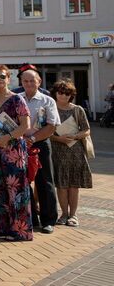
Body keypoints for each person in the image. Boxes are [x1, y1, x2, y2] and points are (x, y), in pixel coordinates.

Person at [0, 65, 33, 241]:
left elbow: (25, 126)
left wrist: (7, 137)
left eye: (2, 77)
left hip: (12, 151)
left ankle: (19, 230)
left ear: (9, 78)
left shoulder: (18, 100)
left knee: (15, 189)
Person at [19, 69, 59, 234]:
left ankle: (48, 220)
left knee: (45, 182)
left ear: (39, 82)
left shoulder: (47, 101)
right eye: (25, 81)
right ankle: (31, 218)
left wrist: (33, 139)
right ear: (21, 82)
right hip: (19, 145)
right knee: (23, 182)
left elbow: (51, 126)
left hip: (40, 144)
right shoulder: (16, 99)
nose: (29, 84)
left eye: (32, 80)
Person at [49, 80, 93, 227]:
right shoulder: (50, 108)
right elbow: (44, 131)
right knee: (61, 184)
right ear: (55, 93)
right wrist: (58, 138)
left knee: (74, 185)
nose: (64, 96)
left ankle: (73, 215)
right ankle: (63, 214)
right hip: (57, 150)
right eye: (61, 92)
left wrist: (75, 136)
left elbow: (86, 130)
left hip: (75, 150)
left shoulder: (77, 109)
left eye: (67, 93)